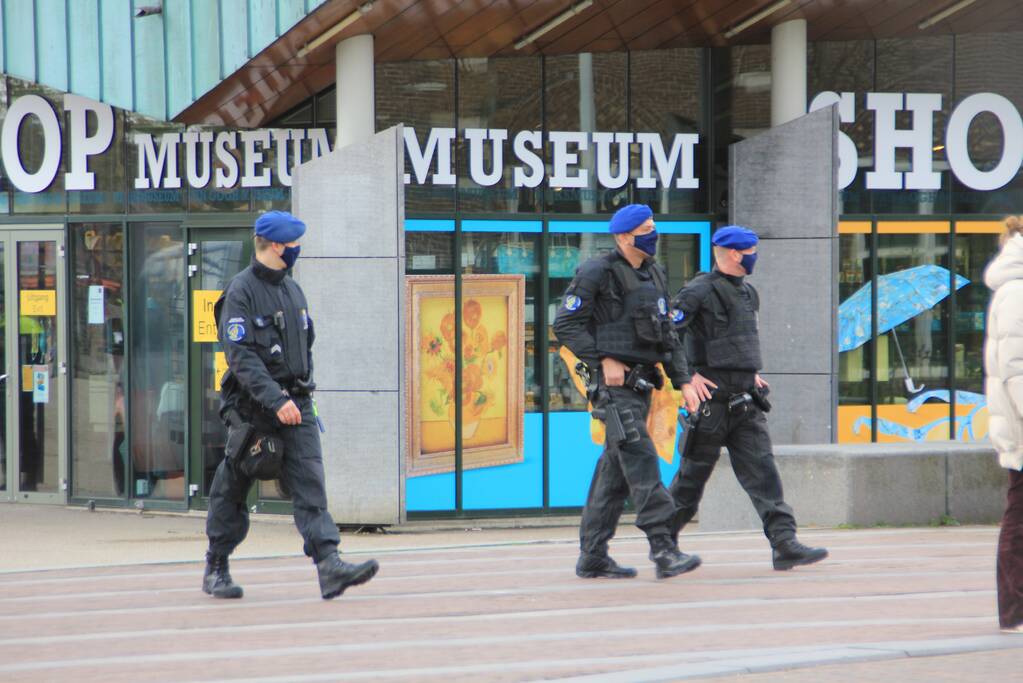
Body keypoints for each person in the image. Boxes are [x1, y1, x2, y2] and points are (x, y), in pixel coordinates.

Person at [202, 210, 379, 600]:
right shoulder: (241, 291)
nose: (299, 249)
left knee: (310, 483)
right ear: (278, 245)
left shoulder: (292, 289)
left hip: (296, 403)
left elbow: (305, 344)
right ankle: (216, 564)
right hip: (253, 409)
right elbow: (241, 355)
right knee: (233, 486)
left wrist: (297, 397)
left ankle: (329, 565)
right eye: (295, 243)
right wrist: (274, 399)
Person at [554, 204, 702, 580]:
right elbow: (566, 325)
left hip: (643, 385)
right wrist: (602, 358)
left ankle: (593, 556)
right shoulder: (597, 271)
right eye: (646, 228)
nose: (654, 233)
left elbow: (667, 334)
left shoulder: (654, 272)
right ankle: (663, 550)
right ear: (623, 236)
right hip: (613, 389)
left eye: (654, 226)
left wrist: (683, 380)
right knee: (640, 458)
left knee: (614, 476)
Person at [668, 225, 827, 570]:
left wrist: (748, 371)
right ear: (737, 254)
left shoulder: (748, 293)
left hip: (745, 401)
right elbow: (668, 335)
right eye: (752, 250)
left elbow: (738, 340)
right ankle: (663, 545)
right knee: (691, 481)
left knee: (764, 474)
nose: (756, 256)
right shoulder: (697, 291)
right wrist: (688, 377)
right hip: (711, 405)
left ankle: (784, 544)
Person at [985, 215, 1023, 632]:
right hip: (1021, 427)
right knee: (1020, 517)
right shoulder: (1016, 291)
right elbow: (1015, 369)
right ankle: (1015, 609)